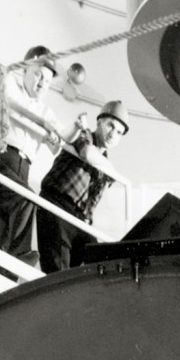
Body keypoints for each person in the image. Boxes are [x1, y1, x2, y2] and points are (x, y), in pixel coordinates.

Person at [0, 45, 59, 273]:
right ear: (25, 72)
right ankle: (21, 260)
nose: (41, 83)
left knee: (8, 225)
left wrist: (72, 131)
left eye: (47, 81)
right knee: (26, 200)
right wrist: (41, 124)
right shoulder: (10, 83)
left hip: (21, 166)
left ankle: (3, 282)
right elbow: (6, 101)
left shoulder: (46, 112)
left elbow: (57, 144)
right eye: (38, 75)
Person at [37, 99, 128, 273]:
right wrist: (114, 171)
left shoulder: (105, 164)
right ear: (99, 122)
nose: (113, 134)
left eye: (119, 132)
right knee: (57, 272)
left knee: (98, 262)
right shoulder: (83, 133)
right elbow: (87, 153)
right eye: (110, 126)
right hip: (57, 204)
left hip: (80, 219)